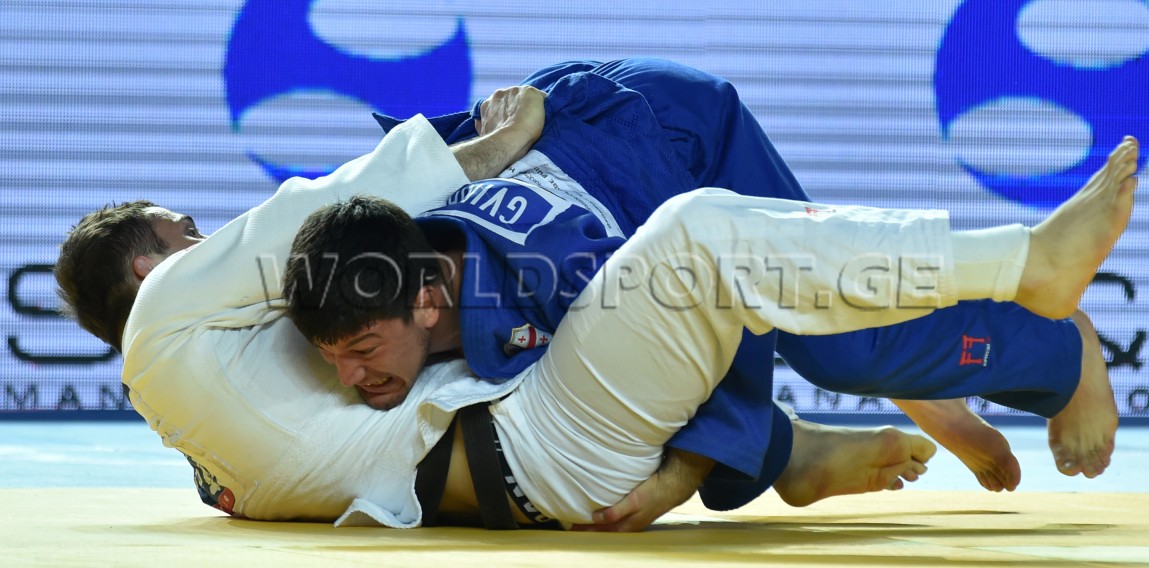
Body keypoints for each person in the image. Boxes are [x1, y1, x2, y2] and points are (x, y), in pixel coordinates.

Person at [53, 87, 932, 527]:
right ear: (148, 269)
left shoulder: (208, 461)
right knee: (654, 269)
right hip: (535, 441)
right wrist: (501, 139)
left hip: (500, 462)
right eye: (187, 232)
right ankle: (796, 428)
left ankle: (785, 442)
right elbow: (318, 210)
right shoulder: (176, 310)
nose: (208, 237)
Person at [360, 58, 1114, 521]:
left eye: (361, 350)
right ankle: (868, 403)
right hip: (585, 137)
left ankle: (1061, 348)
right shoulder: (368, 253)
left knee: (840, 351)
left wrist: (682, 477)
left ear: (424, 303)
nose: (351, 374)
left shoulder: (559, 268)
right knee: (805, 336)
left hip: (672, 137)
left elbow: (713, 291)